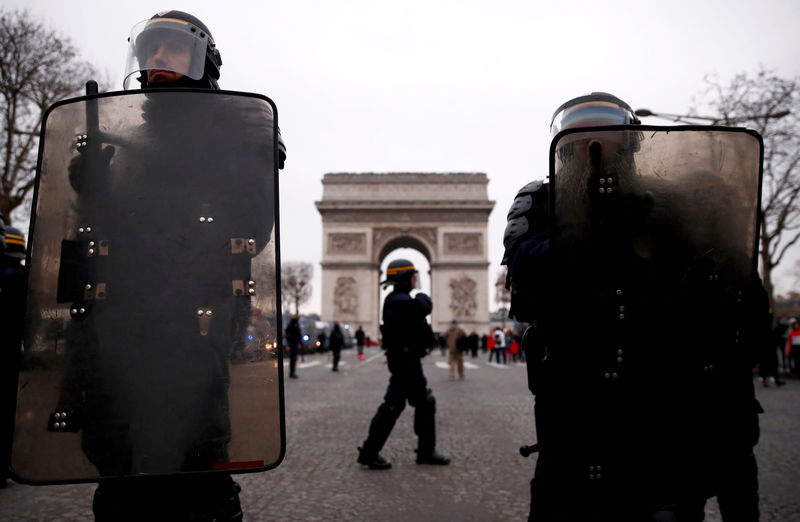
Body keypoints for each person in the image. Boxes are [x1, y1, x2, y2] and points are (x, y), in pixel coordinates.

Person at [52, 11, 286, 521]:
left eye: (171, 48)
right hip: (115, 340)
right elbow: (105, 245)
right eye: (149, 49)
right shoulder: (124, 144)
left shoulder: (233, 131)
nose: (156, 57)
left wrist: (255, 159)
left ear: (203, 59)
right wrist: (91, 189)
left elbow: (249, 230)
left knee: (199, 480)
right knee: (116, 483)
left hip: (191, 335)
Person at [503, 92, 765, 521]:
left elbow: (720, 289)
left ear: (633, 143)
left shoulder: (667, 202)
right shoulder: (540, 201)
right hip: (574, 398)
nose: (595, 144)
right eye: (581, 134)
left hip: (661, 399)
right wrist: (591, 232)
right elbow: (526, 273)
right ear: (562, 146)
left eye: (608, 133)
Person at [357, 259, 450, 470]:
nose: (416, 280)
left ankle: (371, 451)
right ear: (403, 278)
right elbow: (426, 306)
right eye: (412, 276)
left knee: (400, 404)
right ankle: (421, 452)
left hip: (404, 360)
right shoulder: (400, 300)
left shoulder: (395, 299)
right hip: (406, 362)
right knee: (415, 403)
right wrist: (421, 294)